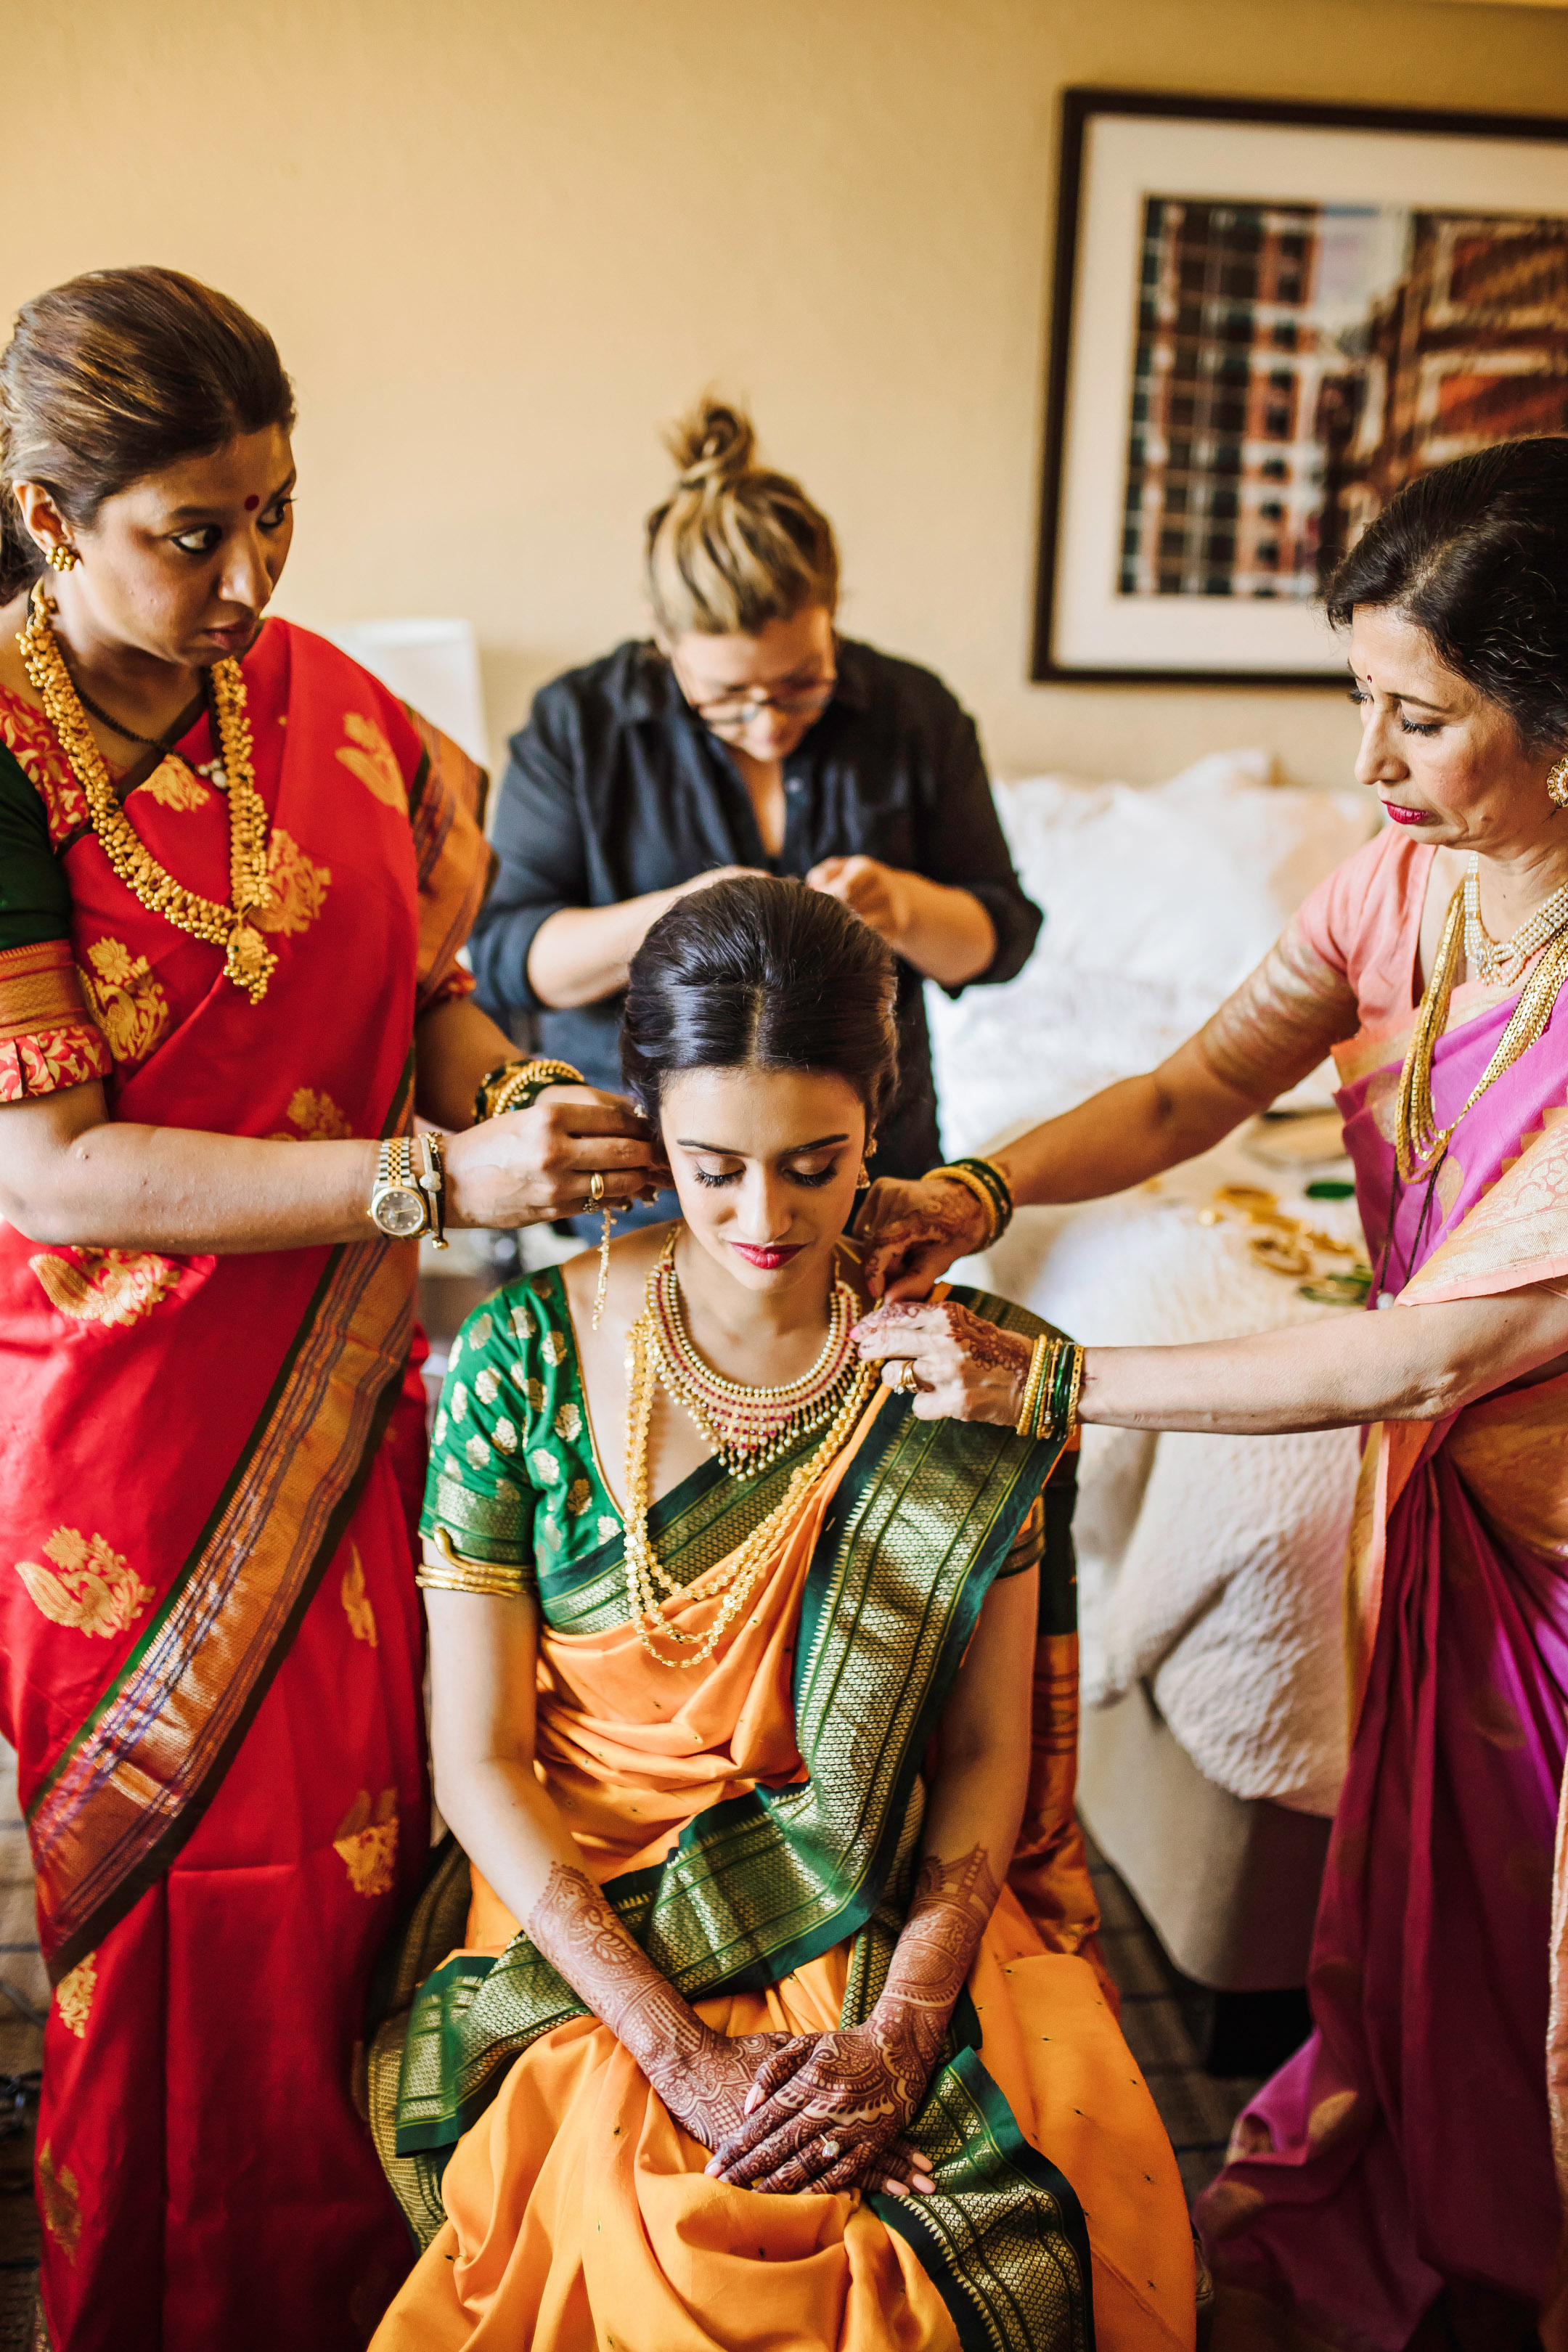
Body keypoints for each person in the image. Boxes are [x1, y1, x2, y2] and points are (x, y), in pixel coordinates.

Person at [848, 437, 1568, 2352]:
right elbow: (1189, 1093)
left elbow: (1428, 1348)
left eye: (1419, 720)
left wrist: (1057, 1376)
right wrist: (974, 1186)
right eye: (1359, 707)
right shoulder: (1407, 884)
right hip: (1456, 1524)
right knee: (1437, 1968)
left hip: (1554, 1541)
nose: (1369, 767)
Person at [0, 266, 661, 2352]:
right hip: (121, 1434)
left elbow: (433, 1011)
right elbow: (48, 1162)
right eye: (192, 533)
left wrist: (550, 1117)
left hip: (350, 1393)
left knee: (369, 1879)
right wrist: (425, 1186)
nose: (249, 574)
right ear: (45, 521)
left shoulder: (341, 715)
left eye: (275, 512)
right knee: (187, 1905)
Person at [365, 875, 1196, 2352]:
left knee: (986, 2233)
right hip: (591, 1898)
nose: (767, 1216)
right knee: (669, 2247)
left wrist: (898, 2034)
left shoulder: (970, 1375)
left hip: (881, 1879)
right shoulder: (520, 1359)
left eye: (816, 1164)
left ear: (881, 1119)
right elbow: (478, 1764)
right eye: (714, 1165)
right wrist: (681, 2057)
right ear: (649, 1125)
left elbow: (991, 1749)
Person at [467, 397, 1041, 1218]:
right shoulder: (580, 727)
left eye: (804, 680)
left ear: (831, 613)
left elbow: (1000, 941)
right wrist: (678, 913)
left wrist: (902, 907)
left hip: (871, 1162)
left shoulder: (913, 713)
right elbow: (506, 955)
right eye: (728, 696)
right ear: (665, 644)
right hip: (646, 1171)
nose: (770, 723)